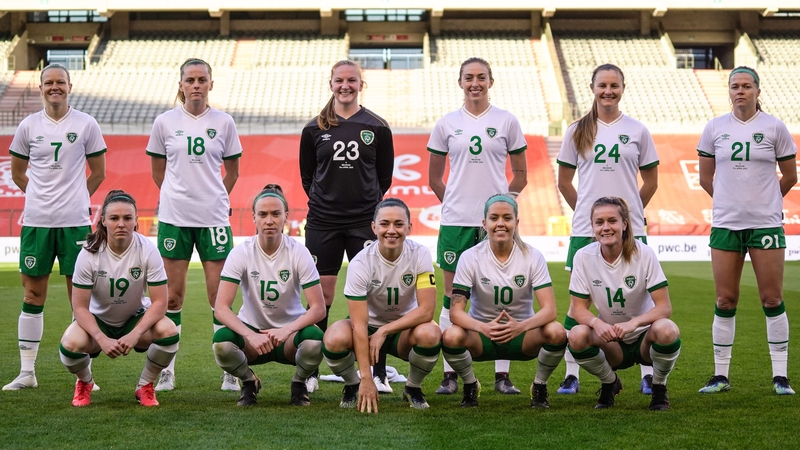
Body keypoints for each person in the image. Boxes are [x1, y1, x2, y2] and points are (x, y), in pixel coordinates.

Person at [556, 63, 659, 395]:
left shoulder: (638, 130)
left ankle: (647, 374)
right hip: (587, 232)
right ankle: (571, 373)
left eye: (614, 86)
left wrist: (626, 219)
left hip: (631, 230)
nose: (608, 91)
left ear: (623, 88)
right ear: (593, 87)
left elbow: (651, 181)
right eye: (603, 86)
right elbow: (564, 182)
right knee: (578, 304)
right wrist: (593, 220)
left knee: (639, 300)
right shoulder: (577, 130)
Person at [428, 57, 528, 396]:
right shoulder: (446, 124)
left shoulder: (506, 120)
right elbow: (433, 177)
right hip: (455, 223)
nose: (475, 83)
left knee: (501, 295)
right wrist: (457, 203)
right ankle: (451, 373)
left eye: (481, 77)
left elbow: (522, 173)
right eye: (469, 78)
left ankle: (502, 374)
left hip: (496, 225)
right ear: (460, 82)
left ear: (490, 81)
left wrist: (501, 207)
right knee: (450, 298)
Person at [4, 63, 107, 391]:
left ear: (70, 86)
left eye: (60, 82)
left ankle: (85, 377)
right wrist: (40, 197)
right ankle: (27, 373)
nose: (54, 88)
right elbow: (19, 172)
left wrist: (75, 199)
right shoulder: (28, 125)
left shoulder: (86, 124)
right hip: (37, 223)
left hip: (76, 225)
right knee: (33, 294)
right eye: (48, 83)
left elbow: (99, 173)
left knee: (79, 298)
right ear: (40, 88)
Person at [697, 66, 797, 395]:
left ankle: (780, 376)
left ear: (757, 91)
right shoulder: (714, 128)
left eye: (747, 86)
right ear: (729, 91)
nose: (741, 91)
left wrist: (764, 203)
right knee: (725, 300)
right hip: (726, 224)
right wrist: (732, 202)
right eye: (735, 86)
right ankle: (720, 376)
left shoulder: (774, 127)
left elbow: (790, 176)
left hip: (765, 225)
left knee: (772, 298)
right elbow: (705, 178)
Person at [146, 57, 242, 392]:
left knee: (220, 298)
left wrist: (213, 197)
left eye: (202, 79)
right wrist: (178, 197)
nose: (196, 85)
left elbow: (233, 172)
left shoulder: (224, 122)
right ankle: (167, 371)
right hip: (175, 219)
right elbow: (158, 171)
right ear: (181, 85)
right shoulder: (164, 122)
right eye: (190, 79)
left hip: (213, 219)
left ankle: (230, 370)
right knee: (172, 297)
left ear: (211, 84)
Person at [300, 59, 395, 394]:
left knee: (371, 295)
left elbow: (384, 178)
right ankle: (310, 369)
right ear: (331, 84)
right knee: (321, 296)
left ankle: (377, 371)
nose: (346, 86)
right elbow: (307, 177)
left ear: (360, 85)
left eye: (352, 81)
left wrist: (363, 206)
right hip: (323, 222)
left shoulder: (378, 127)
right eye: (339, 81)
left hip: (364, 222)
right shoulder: (313, 128)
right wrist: (329, 201)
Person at [442, 194, 566, 408]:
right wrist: (483, 327)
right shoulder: (470, 257)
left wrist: (521, 326)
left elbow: (550, 310)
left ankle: (539, 385)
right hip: (482, 337)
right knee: (451, 335)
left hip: (522, 336)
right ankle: (471, 384)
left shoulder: (532, 256)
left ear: (517, 223)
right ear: (484, 223)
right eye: (494, 218)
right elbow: (456, 312)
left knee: (556, 332)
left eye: (507, 218)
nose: (500, 223)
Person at [59, 190, 178, 407]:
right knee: (70, 344)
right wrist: (101, 338)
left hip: (135, 319)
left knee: (169, 332)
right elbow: (79, 307)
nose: (121, 224)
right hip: (98, 324)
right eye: (114, 218)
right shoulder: (89, 253)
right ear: (103, 221)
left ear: (136, 221)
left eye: (127, 218)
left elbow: (160, 302)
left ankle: (145, 385)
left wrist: (135, 334)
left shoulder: (148, 250)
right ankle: (85, 382)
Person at [323, 198, 440, 412]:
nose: (391, 230)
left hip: (403, 330)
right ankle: (353, 384)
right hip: (367, 330)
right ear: (374, 227)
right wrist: (366, 378)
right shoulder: (360, 263)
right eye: (385, 224)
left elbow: (426, 310)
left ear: (409, 228)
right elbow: (358, 325)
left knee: (431, 333)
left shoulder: (420, 254)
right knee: (333, 338)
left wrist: (385, 330)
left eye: (398, 224)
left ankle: (412, 387)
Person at [212, 185, 326, 406]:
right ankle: (248, 381)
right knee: (222, 344)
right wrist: (250, 334)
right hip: (252, 336)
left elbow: (318, 307)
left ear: (286, 217)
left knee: (315, 340)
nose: (269, 220)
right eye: (263, 214)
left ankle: (299, 382)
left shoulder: (299, 251)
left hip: (290, 337)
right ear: (254, 217)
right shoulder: (241, 252)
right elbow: (221, 308)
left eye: (276, 214)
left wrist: (287, 330)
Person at [567, 197, 681, 410]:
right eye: (599, 222)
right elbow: (578, 309)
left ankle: (659, 386)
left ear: (625, 224)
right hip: (611, 341)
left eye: (612, 221)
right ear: (592, 226)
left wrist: (634, 323)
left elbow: (664, 307)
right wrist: (597, 323)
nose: (606, 227)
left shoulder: (643, 253)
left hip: (645, 338)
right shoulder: (583, 256)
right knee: (576, 335)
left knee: (668, 330)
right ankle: (609, 382)